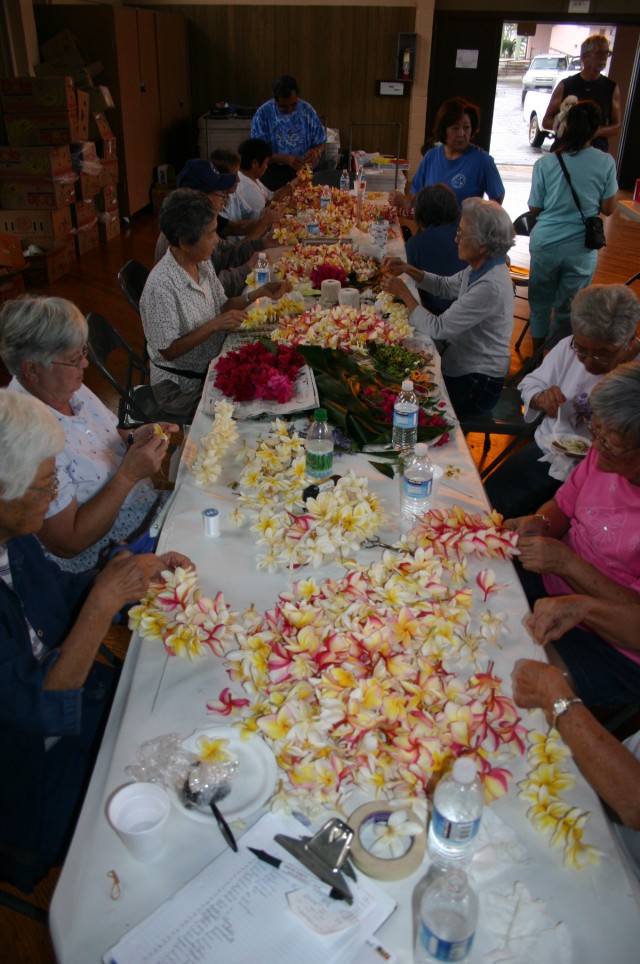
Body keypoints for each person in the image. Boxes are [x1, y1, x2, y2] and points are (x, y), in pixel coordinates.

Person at [0, 388, 192, 890]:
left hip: (80, 698)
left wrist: (125, 574)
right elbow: (40, 708)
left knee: (186, 697)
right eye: (45, 487)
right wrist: (104, 601)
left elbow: (56, 594)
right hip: (29, 778)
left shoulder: (11, 537)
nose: (55, 495)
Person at [0, 296, 175, 572]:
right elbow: (67, 542)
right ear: (31, 368)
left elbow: (99, 433)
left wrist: (132, 437)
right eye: (73, 359)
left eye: (83, 352)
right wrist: (129, 474)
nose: (85, 364)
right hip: (114, 557)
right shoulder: (25, 435)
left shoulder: (66, 386)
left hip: (152, 511)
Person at [508, 360, 640, 708]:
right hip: (554, 591)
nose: (594, 447)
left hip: (613, 645)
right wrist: (538, 524)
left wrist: (567, 564)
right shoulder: (602, 454)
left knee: (510, 677)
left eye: (608, 443)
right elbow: (564, 506)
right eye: (594, 433)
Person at [486, 284, 640, 518]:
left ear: (627, 342)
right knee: (490, 502)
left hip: (605, 472)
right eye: (581, 350)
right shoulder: (567, 347)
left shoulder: (634, 375)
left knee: (557, 527)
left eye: (602, 354)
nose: (588, 362)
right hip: (549, 448)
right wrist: (540, 398)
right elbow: (529, 384)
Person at [513, 597, 640, 872]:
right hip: (610, 785)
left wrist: (560, 702)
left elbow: (636, 807)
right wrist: (588, 607)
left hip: (619, 864)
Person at [141, 189, 288, 419]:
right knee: (250, 407)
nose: (215, 241)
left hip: (210, 361)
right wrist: (213, 325)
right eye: (210, 235)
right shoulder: (161, 287)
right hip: (181, 386)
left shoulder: (201, 263)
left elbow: (222, 305)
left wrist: (256, 294)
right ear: (184, 243)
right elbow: (168, 350)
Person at [381, 197, 515, 417]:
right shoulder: (479, 267)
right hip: (460, 360)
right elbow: (444, 286)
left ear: (482, 246)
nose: (456, 239)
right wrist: (407, 268)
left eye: (462, 234)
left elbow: (438, 327)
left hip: (477, 377)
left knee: (416, 404)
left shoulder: (490, 286)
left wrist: (403, 292)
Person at [527, 100, 618, 352]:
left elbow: (535, 208)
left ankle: (537, 358)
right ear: (595, 129)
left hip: (545, 243)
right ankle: (558, 356)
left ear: (565, 125)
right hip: (581, 247)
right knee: (569, 307)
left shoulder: (545, 164)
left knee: (540, 302)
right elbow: (609, 208)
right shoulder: (605, 162)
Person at [153, 159, 276, 298]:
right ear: (199, 198)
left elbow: (226, 253)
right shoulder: (185, 235)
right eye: (221, 194)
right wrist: (246, 269)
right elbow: (208, 291)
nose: (225, 200)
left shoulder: (203, 225)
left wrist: (262, 243)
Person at [390, 97, 504, 216]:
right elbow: (416, 195)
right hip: (431, 228)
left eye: (466, 128)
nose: (461, 134)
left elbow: (497, 199)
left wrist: (478, 224)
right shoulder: (431, 157)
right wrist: (406, 203)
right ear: (444, 130)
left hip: (464, 232)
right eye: (455, 128)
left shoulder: (483, 161)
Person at [542, 34, 621, 153]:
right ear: (584, 57)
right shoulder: (566, 85)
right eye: (599, 53)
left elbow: (616, 127)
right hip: (564, 153)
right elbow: (546, 121)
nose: (604, 57)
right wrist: (567, 126)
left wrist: (597, 130)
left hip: (595, 155)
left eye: (606, 53)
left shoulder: (611, 88)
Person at [250, 74, 326, 190]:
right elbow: (259, 153)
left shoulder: (307, 111)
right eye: (284, 107)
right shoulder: (263, 115)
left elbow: (321, 142)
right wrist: (286, 159)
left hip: (304, 171)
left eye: (294, 104)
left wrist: (316, 151)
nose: (290, 110)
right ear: (275, 100)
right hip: (273, 174)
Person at [405, 183, 465, 315]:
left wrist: (402, 292)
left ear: (420, 216)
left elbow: (418, 284)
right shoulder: (466, 235)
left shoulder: (416, 244)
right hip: (467, 310)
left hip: (437, 314)